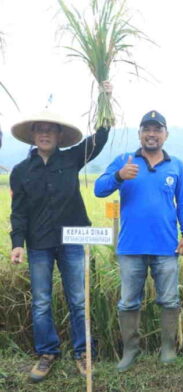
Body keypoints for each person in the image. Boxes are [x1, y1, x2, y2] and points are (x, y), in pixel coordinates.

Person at [9, 82, 113, 382]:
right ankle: (47, 353)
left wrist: (105, 99)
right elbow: (19, 212)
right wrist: (17, 243)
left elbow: (100, 139)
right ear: (33, 135)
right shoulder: (21, 171)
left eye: (50, 129)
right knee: (41, 300)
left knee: (78, 299)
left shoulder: (71, 158)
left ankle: (83, 353)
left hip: (72, 240)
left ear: (59, 136)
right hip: (38, 243)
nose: (45, 133)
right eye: (40, 129)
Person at [94, 110, 183, 372]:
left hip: (166, 246)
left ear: (165, 134)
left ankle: (168, 348)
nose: (152, 134)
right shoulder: (124, 161)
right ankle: (130, 351)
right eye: (146, 129)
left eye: (157, 129)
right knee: (128, 301)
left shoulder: (176, 165)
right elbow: (98, 189)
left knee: (170, 300)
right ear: (139, 134)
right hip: (131, 246)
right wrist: (118, 176)